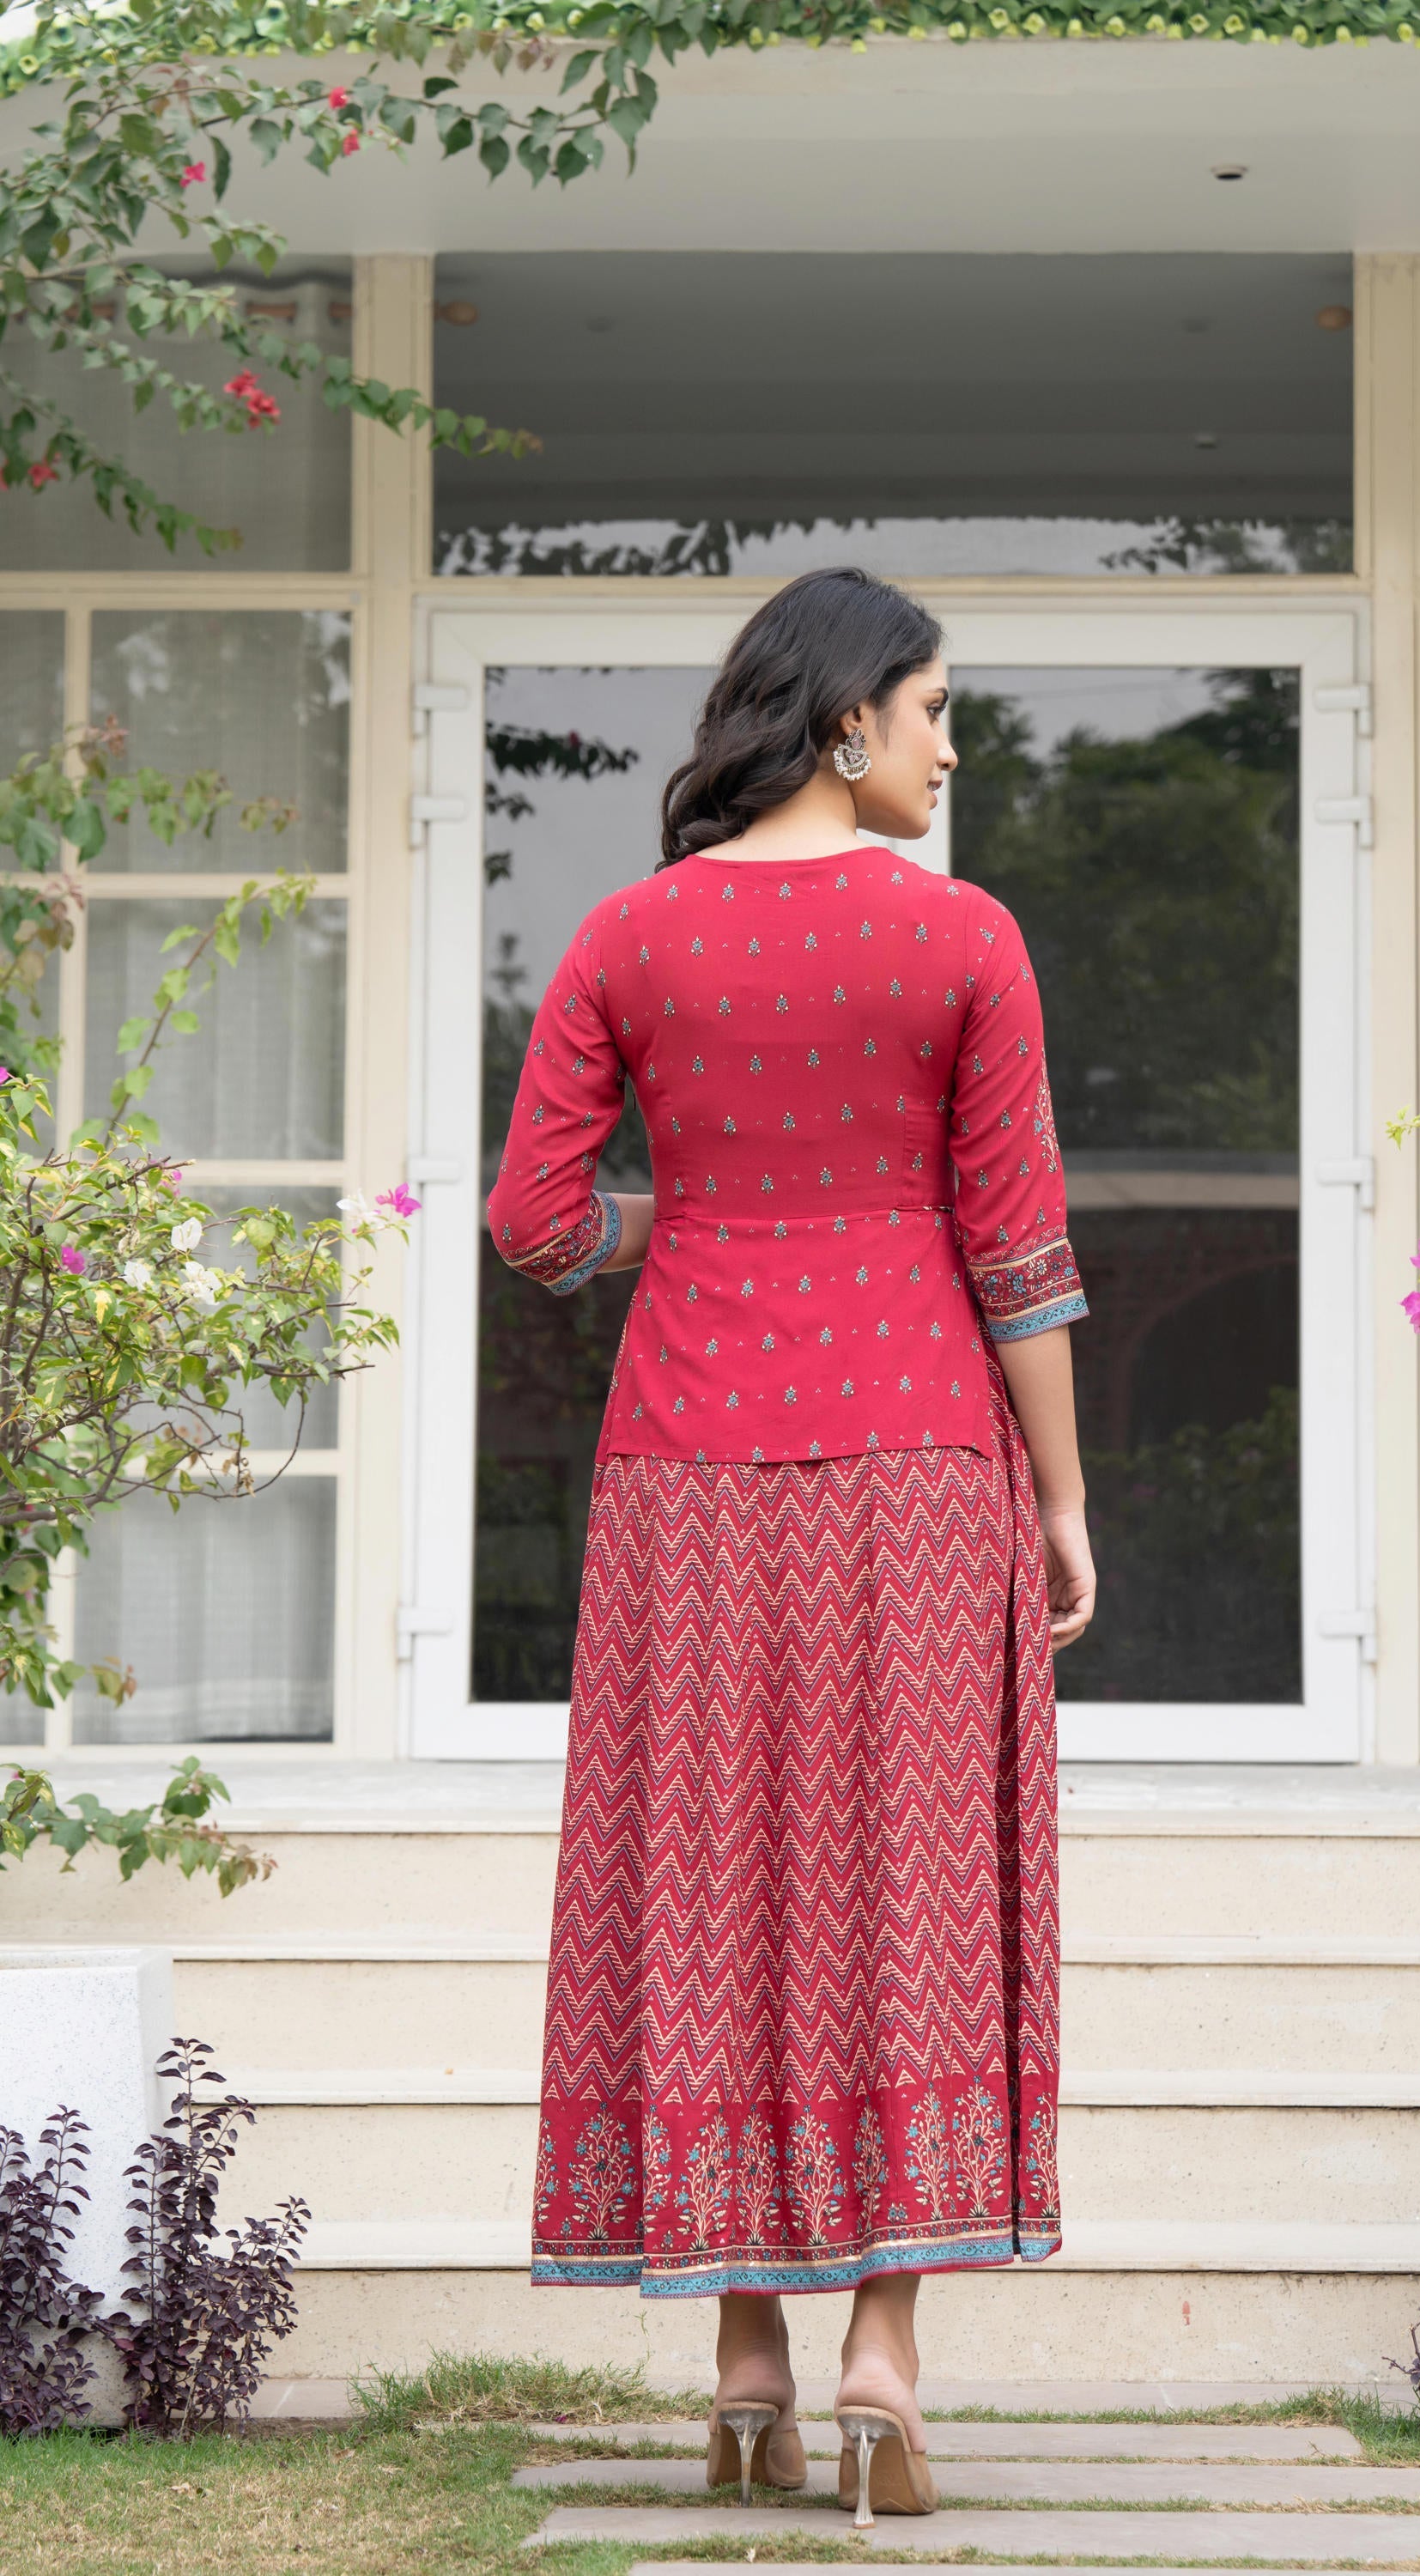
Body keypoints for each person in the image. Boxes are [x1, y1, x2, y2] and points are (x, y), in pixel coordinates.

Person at [487, 565, 1095, 2528]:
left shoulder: (628, 937)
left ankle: (743, 2358)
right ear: (846, 720)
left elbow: (531, 1225)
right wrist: (1061, 1499)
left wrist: (685, 1224)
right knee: (907, 1890)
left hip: (685, 1472)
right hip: (918, 1462)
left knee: (709, 1878)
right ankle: (879, 2360)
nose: (949, 746)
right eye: (934, 709)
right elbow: (1014, 1249)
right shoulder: (963, 940)